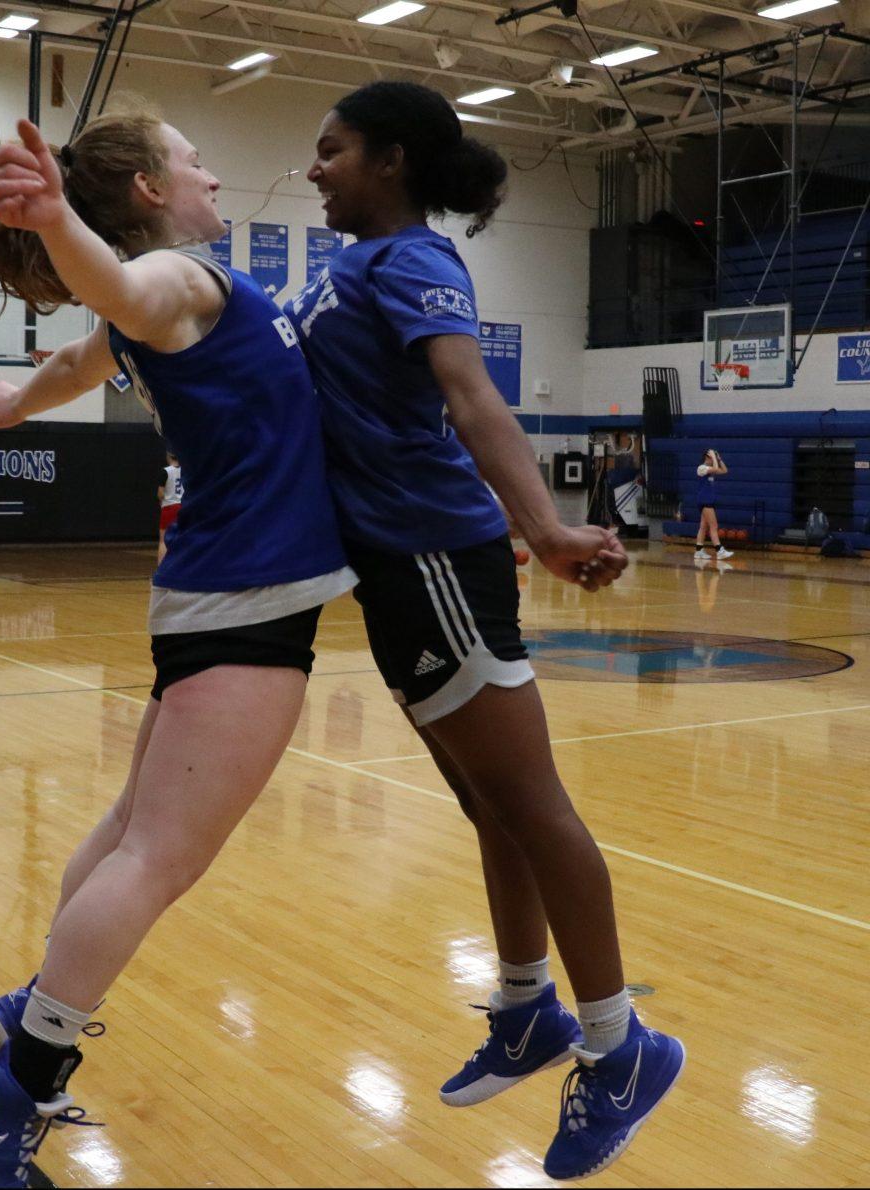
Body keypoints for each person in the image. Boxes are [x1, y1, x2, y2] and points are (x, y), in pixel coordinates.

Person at [0, 110, 355, 1188]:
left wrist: (19, 398)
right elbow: (115, 297)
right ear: (152, 191)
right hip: (248, 593)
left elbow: (81, 346)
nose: (210, 168)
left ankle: (30, 1010)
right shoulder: (179, 279)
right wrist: (58, 219)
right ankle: (10, 1081)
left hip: (220, 589)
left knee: (128, 832)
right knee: (160, 857)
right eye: (193, 156)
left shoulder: (174, 290)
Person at [287, 81, 684, 1181]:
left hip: (437, 560)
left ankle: (620, 1045)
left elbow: (472, 399)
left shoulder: (413, 262)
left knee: (533, 804)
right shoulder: (354, 266)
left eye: (334, 150)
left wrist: (548, 527)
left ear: (393, 160)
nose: (315, 169)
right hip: (392, 571)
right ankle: (526, 1011)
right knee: (488, 802)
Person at [694, 448, 733, 560]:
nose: (714, 459)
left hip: (708, 501)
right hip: (704, 501)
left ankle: (699, 550)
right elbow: (715, 468)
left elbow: (725, 470)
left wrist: (719, 459)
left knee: (703, 526)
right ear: (707, 458)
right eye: (712, 458)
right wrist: (713, 457)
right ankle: (719, 550)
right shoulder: (701, 468)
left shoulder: (711, 469)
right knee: (714, 526)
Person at [156, 450, 183, 564]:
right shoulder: (185, 471)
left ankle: (161, 569)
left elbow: (160, 494)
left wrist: (161, 500)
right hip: (183, 507)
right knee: (182, 539)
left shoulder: (165, 471)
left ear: (168, 456)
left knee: (163, 541)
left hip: (169, 507)